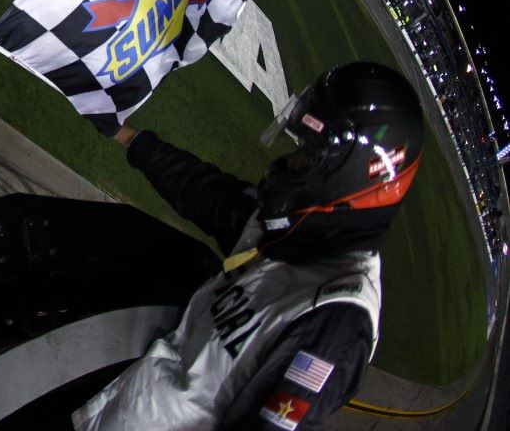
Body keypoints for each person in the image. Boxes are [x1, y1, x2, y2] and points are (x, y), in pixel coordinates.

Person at [73, 61, 425, 430]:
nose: (291, 162)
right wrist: (127, 137)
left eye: (308, 153)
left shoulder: (337, 319)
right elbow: (204, 193)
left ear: (352, 174)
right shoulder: (300, 231)